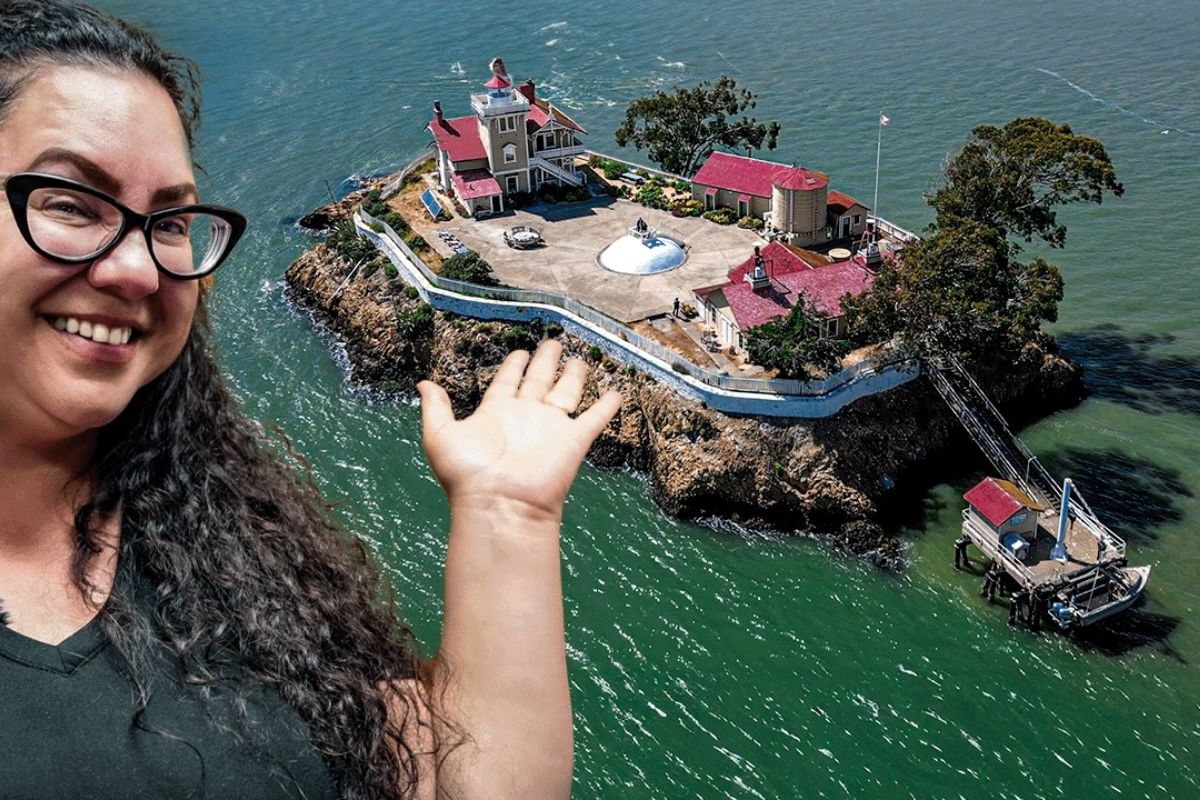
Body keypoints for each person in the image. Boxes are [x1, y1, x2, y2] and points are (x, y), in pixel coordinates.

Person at [0, 2, 622, 798]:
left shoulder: (223, 545)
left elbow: (464, 785)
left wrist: (508, 514)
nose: (138, 270)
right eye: (69, 203)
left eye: (170, 222)